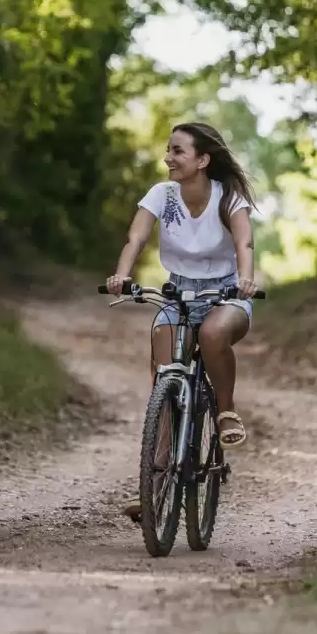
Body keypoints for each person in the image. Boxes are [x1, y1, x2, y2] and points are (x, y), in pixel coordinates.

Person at [106, 121, 258, 451]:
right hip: (179, 293)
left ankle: (227, 410)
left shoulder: (228, 197)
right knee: (164, 375)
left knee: (213, 335)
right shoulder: (161, 194)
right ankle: (156, 476)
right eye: (168, 150)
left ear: (202, 160)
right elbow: (137, 237)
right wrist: (121, 275)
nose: (168, 158)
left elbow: (244, 243)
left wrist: (246, 279)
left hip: (226, 292)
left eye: (177, 151)